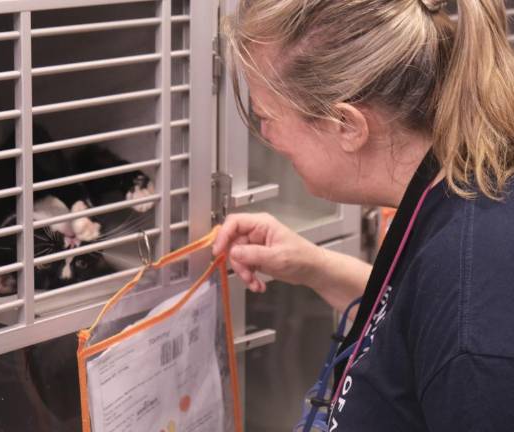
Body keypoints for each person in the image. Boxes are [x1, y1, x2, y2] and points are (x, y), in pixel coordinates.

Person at [212, 0, 514, 430]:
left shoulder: (475, 336)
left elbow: (456, 332)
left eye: (266, 116)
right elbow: (414, 325)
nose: (266, 135)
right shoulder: (453, 191)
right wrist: (315, 267)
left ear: (347, 125)